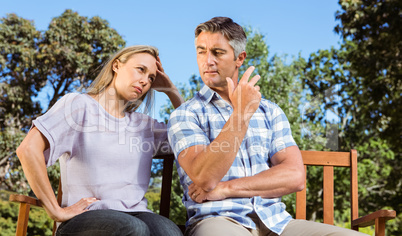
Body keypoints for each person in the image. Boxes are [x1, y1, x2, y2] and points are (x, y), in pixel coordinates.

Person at [167, 17, 368, 236]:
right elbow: (205, 177)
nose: (208, 61)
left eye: (217, 52)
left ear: (239, 58)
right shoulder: (185, 114)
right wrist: (241, 114)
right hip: (219, 221)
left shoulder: (270, 111)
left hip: (277, 223)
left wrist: (226, 188)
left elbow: (294, 176)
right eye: (201, 51)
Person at [17, 45, 184, 236]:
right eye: (141, 69)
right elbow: (28, 149)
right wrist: (55, 210)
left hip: (138, 213)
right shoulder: (79, 106)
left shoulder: (144, 124)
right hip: (86, 217)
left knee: (169, 232)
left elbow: (189, 137)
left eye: (151, 78)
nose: (145, 81)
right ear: (116, 66)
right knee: (134, 229)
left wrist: (171, 90)